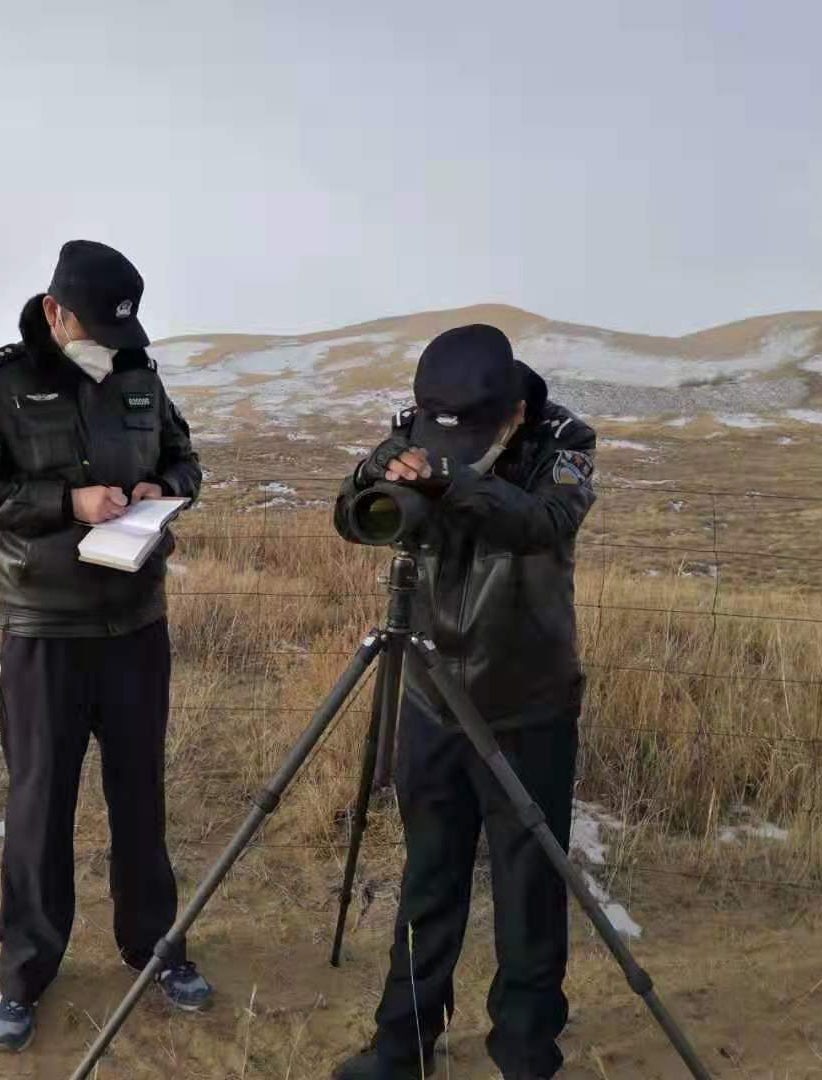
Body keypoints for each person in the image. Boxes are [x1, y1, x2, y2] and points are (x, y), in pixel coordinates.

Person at [0, 239, 212, 1053]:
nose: (110, 350)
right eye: (94, 332)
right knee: (39, 809)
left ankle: (156, 949)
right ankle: (26, 974)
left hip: (135, 625)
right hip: (44, 630)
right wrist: (66, 500)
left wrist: (167, 488)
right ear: (55, 313)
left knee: (141, 799)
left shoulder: (138, 371)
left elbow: (186, 459)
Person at [330, 324, 597, 1080]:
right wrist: (379, 477)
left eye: (471, 436)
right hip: (432, 690)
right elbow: (351, 519)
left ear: (513, 412)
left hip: (527, 702)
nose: (449, 446)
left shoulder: (563, 442)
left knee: (528, 886)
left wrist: (455, 484)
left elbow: (545, 525)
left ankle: (523, 1050)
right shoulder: (418, 430)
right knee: (429, 874)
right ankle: (402, 1044)